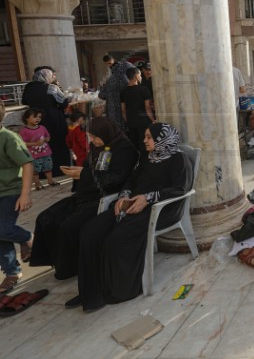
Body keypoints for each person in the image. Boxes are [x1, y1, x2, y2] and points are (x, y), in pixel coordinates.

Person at [70, 122, 191, 312]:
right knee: (90, 232)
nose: (144, 140)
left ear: (163, 138)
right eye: (145, 136)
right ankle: (90, 289)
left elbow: (179, 189)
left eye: (149, 137)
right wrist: (124, 195)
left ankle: (117, 289)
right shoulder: (147, 157)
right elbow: (131, 180)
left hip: (159, 209)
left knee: (115, 239)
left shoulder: (178, 159)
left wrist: (148, 198)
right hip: (131, 205)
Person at [29, 117, 138, 280]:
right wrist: (77, 172)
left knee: (69, 226)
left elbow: (114, 178)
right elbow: (88, 168)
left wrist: (82, 174)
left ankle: (71, 266)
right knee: (46, 218)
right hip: (86, 194)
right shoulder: (96, 147)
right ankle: (57, 261)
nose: (92, 141)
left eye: (94, 137)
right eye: (90, 137)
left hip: (106, 197)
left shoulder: (124, 149)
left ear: (105, 133)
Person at [0, 102, 34, 294]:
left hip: (11, 191)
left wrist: (25, 194)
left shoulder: (9, 138)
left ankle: (28, 238)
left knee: (3, 228)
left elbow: (27, 164)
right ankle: (12, 271)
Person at [22, 67, 71, 176]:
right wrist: (59, 88)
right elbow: (64, 103)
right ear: (47, 76)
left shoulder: (29, 87)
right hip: (54, 120)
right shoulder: (51, 87)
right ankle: (59, 170)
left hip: (35, 121)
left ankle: (42, 173)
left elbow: (24, 101)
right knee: (57, 144)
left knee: (40, 147)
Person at [121, 67, 156, 158]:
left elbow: (123, 110)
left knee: (136, 146)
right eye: (140, 75)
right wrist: (153, 120)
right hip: (144, 122)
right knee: (146, 145)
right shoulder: (143, 90)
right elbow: (148, 108)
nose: (141, 77)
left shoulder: (123, 91)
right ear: (136, 76)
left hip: (131, 122)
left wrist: (128, 121)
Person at [19, 108, 57, 189]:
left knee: (48, 167)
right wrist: (35, 143)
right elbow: (23, 143)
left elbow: (48, 136)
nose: (38, 119)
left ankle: (50, 180)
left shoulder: (42, 127)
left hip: (46, 153)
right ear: (27, 118)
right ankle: (37, 183)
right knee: (35, 170)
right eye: (35, 117)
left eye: (39, 117)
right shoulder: (24, 131)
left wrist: (46, 139)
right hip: (33, 155)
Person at [98, 55, 136, 131]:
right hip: (122, 109)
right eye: (107, 64)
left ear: (113, 59)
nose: (109, 65)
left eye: (109, 63)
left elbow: (101, 95)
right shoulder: (113, 79)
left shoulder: (112, 79)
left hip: (116, 112)